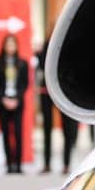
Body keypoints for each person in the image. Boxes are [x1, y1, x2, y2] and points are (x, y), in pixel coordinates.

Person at [36, 37, 78, 174]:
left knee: (68, 129)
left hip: (65, 91)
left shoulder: (71, 47)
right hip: (47, 91)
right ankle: (47, 163)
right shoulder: (47, 44)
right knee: (47, 127)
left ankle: (66, 163)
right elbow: (41, 66)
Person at [0, 34, 29, 174]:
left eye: (13, 44)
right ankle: (9, 165)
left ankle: (18, 165)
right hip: (3, 102)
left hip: (17, 102)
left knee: (18, 134)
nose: (10, 47)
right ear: (4, 46)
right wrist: (4, 99)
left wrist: (16, 98)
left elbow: (25, 83)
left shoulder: (22, 63)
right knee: (6, 134)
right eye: (8, 44)